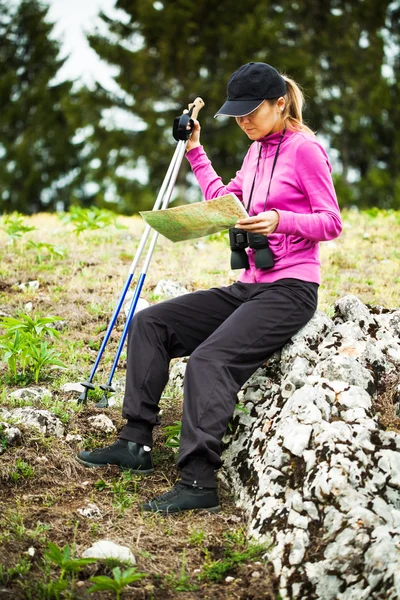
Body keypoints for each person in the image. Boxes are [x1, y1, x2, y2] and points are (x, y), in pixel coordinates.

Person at [76, 62, 342, 514]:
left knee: (208, 360)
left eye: (251, 112)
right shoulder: (256, 150)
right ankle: (135, 443)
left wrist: (282, 219)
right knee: (150, 323)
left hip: (290, 289)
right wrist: (196, 150)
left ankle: (199, 483)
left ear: (280, 103)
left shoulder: (306, 150)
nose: (243, 122)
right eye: (236, 115)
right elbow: (226, 201)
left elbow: (332, 222)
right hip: (247, 286)